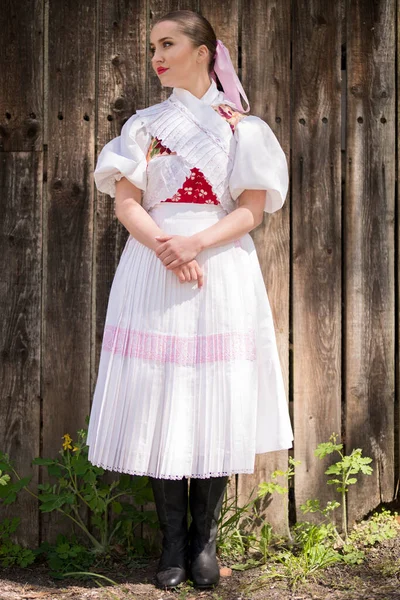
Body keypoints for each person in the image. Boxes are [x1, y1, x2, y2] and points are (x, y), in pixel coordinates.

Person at [86, 8, 294, 591]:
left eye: (168, 43)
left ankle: (205, 542)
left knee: (214, 395)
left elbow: (251, 211)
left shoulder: (243, 130)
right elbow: (128, 202)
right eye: (154, 44)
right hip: (155, 267)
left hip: (218, 264)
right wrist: (165, 247)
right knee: (161, 397)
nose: (157, 55)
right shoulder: (144, 127)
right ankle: (172, 545)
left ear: (204, 51)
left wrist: (194, 244)